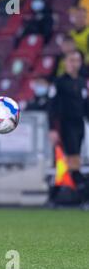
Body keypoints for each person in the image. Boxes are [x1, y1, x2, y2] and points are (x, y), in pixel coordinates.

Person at [48, 50, 89, 206]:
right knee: (71, 161)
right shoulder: (59, 82)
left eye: (77, 60)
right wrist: (52, 128)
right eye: (71, 60)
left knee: (68, 163)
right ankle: (83, 196)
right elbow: (52, 107)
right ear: (65, 62)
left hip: (79, 126)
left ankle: (54, 196)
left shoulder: (82, 82)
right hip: (64, 125)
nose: (74, 64)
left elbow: (86, 106)